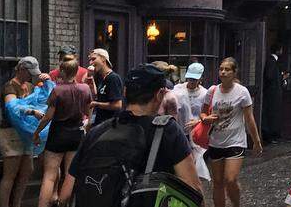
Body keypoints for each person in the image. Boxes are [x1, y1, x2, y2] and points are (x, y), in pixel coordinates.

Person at [64, 65, 202, 205]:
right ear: (160, 94)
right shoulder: (167, 130)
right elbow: (194, 190)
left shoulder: (96, 132)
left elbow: (66, 193)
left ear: (124, 92)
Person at [201, 57, 264, 207]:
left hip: (235, 141)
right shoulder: (212, 91)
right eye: (221, 69)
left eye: (227, 69)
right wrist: (205, 118)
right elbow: (203, 112)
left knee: (230, 179)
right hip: (216, 141)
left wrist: (256, 141)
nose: (223, 72)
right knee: (217, 182)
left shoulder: (242, 92)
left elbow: (249, 118)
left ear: (234, 72)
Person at [32, 57, 91, 207]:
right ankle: (64, 204)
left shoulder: (57, 90)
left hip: (58, 133)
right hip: (76, 133)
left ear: (63, 71)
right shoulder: (85, 89)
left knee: (49, 176)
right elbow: (88, 113)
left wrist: (37, 132)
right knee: (70, 175)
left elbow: (48, 117)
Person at [0, 57, 48, 207]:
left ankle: (17, 204)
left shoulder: (30, 86)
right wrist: (31, 111)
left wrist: (47, 83)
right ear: (21, 69)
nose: (31, 76)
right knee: (10, 174)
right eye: (29, 73)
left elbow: (43, 99)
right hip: (11, 132)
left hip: (26, 133)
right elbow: (11, 107)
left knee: (27, 171)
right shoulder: (10, 86)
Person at [87, 48, 123, 127]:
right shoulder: (101, 77)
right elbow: (101, 97)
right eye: (90, 60)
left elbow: (117, 105)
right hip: (100, 124)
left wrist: (96, 104)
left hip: (109, 127)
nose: (90, 63)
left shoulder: (113, 78)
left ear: (103, 59)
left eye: (93, 59)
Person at [261, 44, 286, 144]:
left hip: (273, 92)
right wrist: (280, 78)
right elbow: (269, 76)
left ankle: (273, 135)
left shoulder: (274, 61)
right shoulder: (272, 61)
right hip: (272, 93)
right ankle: (270, 136)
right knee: (272, 114)